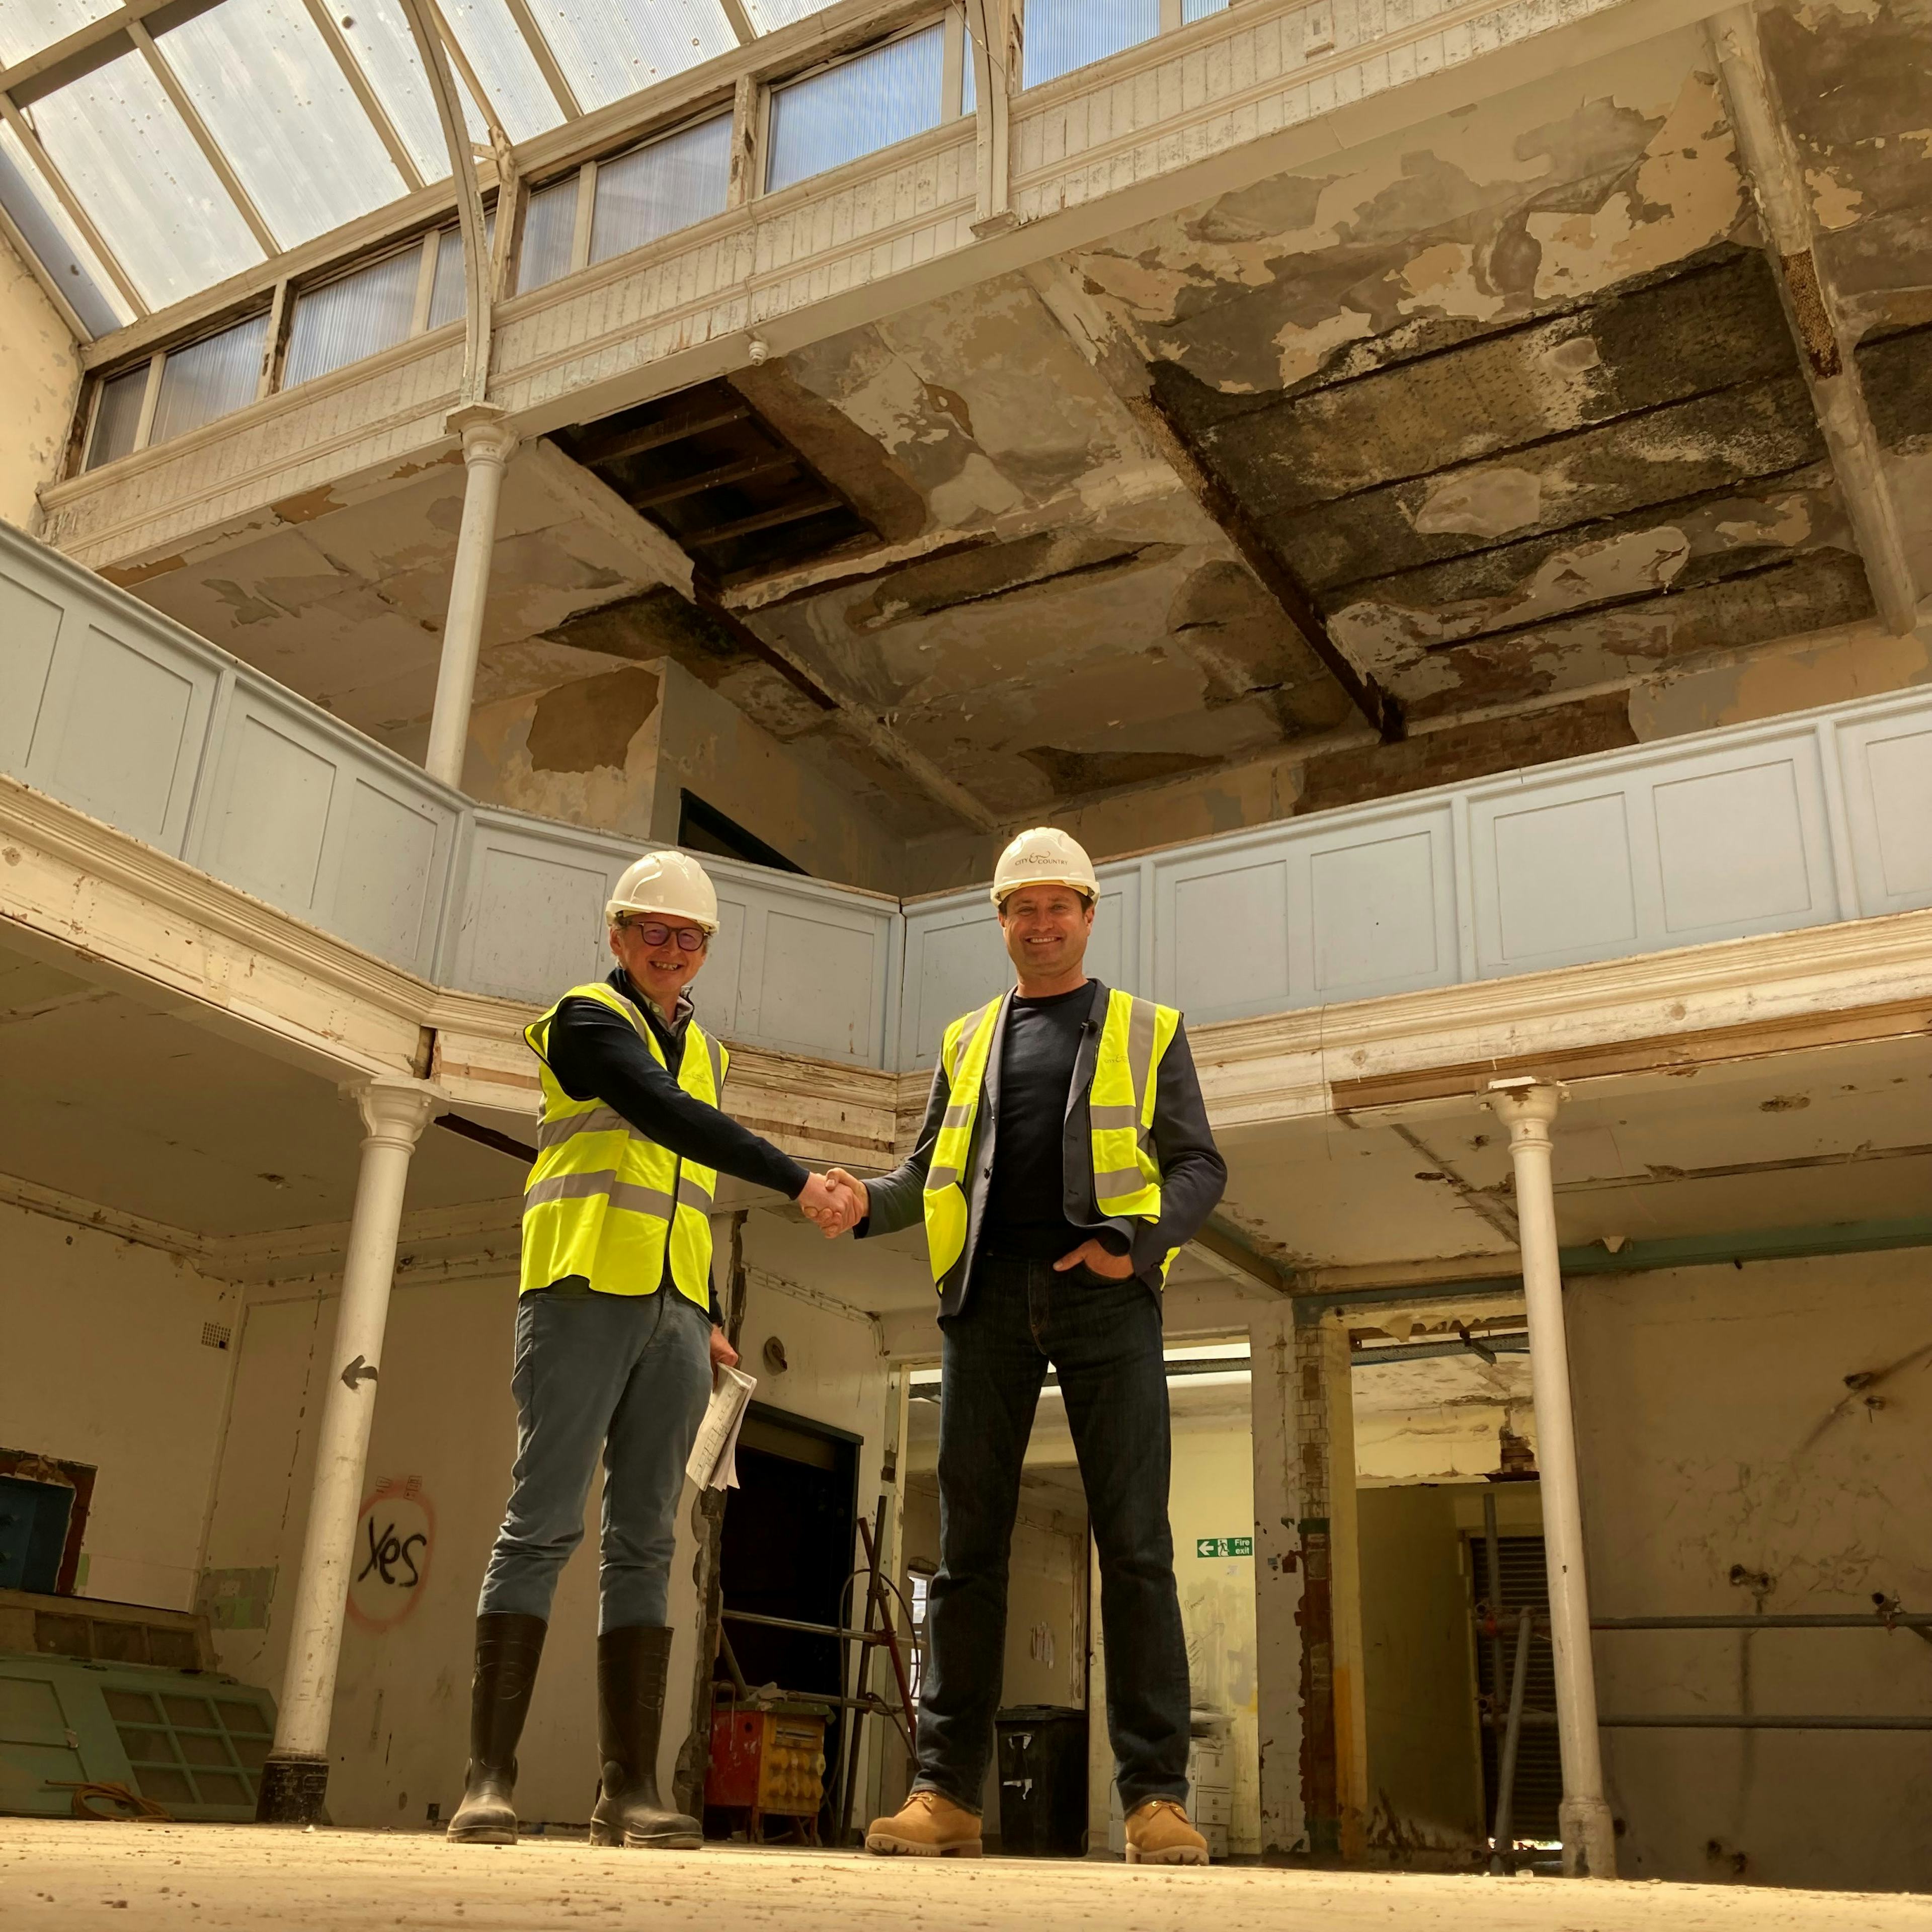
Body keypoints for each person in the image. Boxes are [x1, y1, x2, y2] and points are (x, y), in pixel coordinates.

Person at [818, 827, 1228, 1866]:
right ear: (1000, 922)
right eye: (1022, 909)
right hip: (987, 1301)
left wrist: (1132, 1248)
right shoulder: (968, 1040)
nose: (1041, 925)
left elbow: (1198, 1167)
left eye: (1058, 908)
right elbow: (929, 1171)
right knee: (967, 1556)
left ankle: (1156, 1800)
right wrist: (862, 1202)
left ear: (1088, 916)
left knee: (1136, 1546)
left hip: (1105, 1301)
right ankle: (946, 1795)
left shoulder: (1149, 1028)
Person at [448, 849, 844, 1849]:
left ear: (705, 949)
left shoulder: (705, 1049)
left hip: (672, 1313)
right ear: (619, 936)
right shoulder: (585, 1021)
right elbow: (667, 1119)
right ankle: (488, 1779)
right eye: (654, 932)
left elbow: (683, 1188)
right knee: (542, 1524)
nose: (671, 949)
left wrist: (701, 1307)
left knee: (648, 1542)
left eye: (689, 937)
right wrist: (798, 1180)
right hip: (580, 1290)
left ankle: (627, 1789)